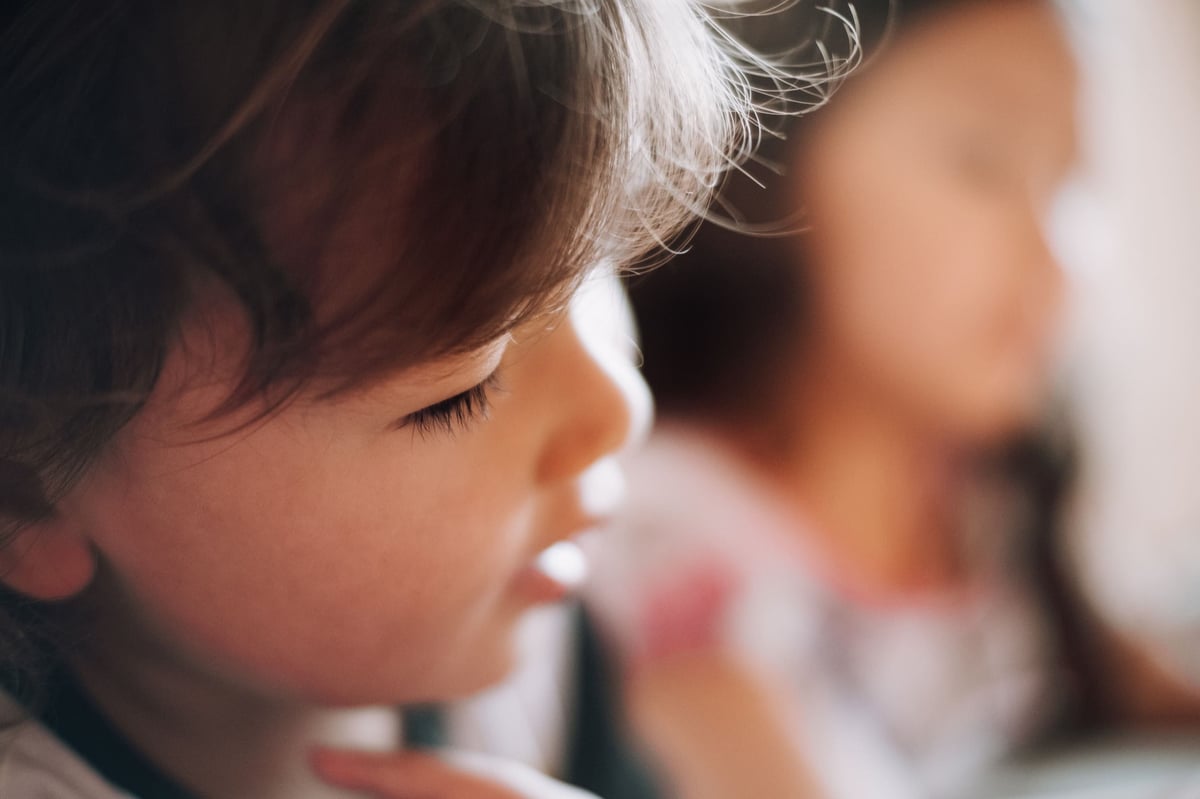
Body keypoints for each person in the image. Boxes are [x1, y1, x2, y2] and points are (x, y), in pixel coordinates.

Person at [0, 2, 762, 797]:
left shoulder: (524, 616)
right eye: (457, 395)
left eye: (595, 268)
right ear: (25, 490)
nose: (619, 409)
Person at [586, 1, 1081, 797]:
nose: (1051, 256)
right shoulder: (678, 536)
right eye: (982, 163)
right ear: (777, 153)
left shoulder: (987, 502)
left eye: (1068, 182)